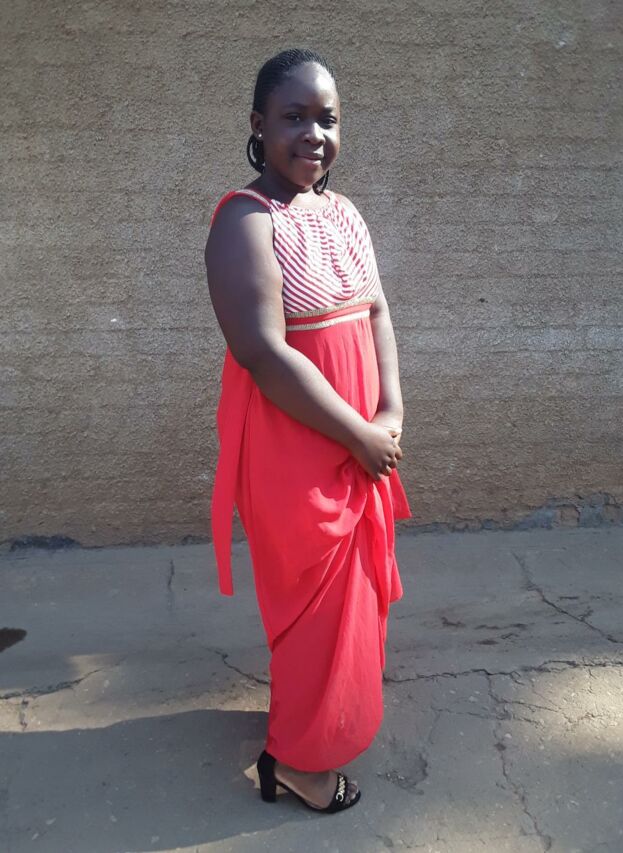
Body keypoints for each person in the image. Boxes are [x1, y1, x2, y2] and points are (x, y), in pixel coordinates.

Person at [204, 47, 411, 814]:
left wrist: (391, 413)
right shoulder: (244, 220)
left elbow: (377, 311)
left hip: (359, 438)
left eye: (328, 119)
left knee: (351, 600)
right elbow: (261, 351)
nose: (314, 134)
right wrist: (358, 432)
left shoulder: (343, 212)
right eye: (294, 117)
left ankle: (318, 719)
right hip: (296, 447)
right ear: (258, 125)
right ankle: (298, 763)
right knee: (313, 606)